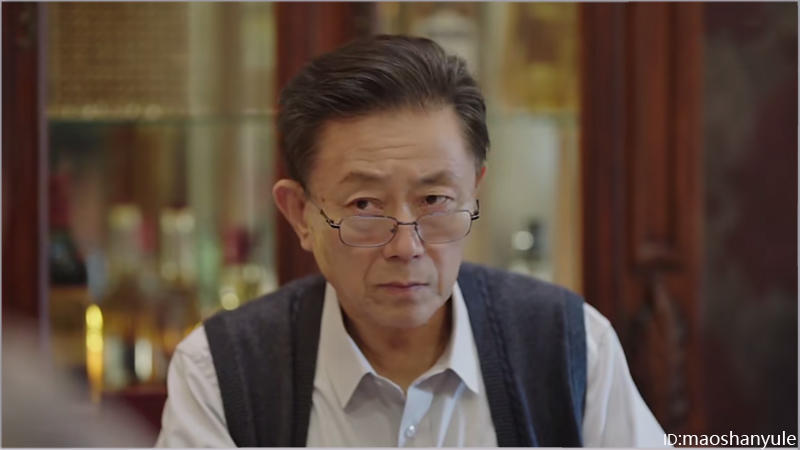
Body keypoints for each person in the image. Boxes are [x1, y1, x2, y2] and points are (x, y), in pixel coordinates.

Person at [156, 34, 666, 447]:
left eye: (435, 200)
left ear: (474, 193)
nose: (406, 247)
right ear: (300, 215)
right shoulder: (221, 372)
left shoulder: (570, 345)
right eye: (364, 205)